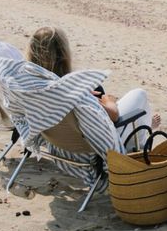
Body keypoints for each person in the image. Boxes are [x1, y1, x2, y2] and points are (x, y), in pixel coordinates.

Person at [25, 26, 159, 149]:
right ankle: (143, 136)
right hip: (93, 147)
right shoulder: (72, 90)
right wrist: (109, 102)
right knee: (139, 94)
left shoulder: (28, 87)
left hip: (59, 144)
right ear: (64, 55)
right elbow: (114, 116)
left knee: (99, 90)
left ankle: (144, 125)